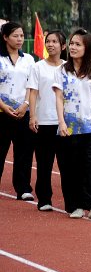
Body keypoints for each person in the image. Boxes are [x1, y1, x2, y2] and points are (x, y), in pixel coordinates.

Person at [53, 29, 91, 219]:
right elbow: (59, 98)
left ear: (88, 48)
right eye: (71, 43)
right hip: (69, 127)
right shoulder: (61, 71)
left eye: (78, 44)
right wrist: (61, 122)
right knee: (71, 167)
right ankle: (75, 204)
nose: (73, 47)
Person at [27, 30, 67, 211]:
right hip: (44, 121)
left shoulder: (68, 67)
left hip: (65, 123)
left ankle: (71, 202)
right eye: (48, 41)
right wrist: (33, 116)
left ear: (63, 46)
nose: (50, 44)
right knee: (44, 163)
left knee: (67, 164)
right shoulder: (38, 67)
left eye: (55, 42)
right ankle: (44, 199)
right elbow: (33, 92)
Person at [0, 21, 36, 201]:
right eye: (15, 35)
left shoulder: (28, 59)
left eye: (22, 35)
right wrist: (2, 105)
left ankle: (23, 188)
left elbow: (31, 84)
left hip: (22, 112)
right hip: (1, 113)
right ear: (5, 37)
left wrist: (26, 104)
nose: (20, 39)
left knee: (24, 151)